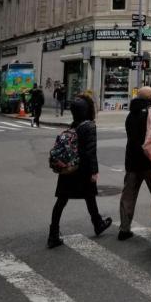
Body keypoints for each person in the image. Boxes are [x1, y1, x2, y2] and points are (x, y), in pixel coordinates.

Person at [47, 96, 112, 248]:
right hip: (82, 169)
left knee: (62, 200)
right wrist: (94, 171)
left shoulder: (74, 125)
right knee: (90, 196)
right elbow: (90, 152)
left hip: (69, 168)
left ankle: (53, 234)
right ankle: (98, 224)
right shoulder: (89, 126)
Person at [118, 86, 151, 241]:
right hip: (149, 161)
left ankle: (124, 229)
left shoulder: (131, 114)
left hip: (132, 160)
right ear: (150, 97)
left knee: (128, 196)